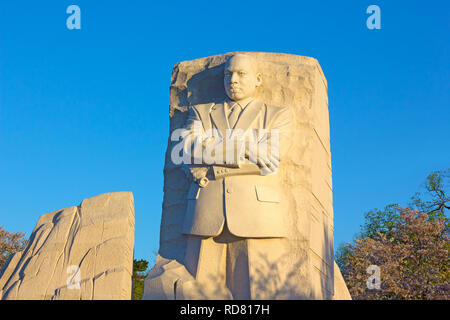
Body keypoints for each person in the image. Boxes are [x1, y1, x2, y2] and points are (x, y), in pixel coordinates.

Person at [175, 54, 293, 299]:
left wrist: (213, 153)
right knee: (198, 295)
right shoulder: (200, 112)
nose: (233, 80)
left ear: (258, 79)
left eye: (241, 74)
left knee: (260, 293)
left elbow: (271, 158)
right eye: (228, 74)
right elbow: (188, 150)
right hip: (205, 210)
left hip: (256, 213)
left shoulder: (276, 114)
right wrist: (246, 147)